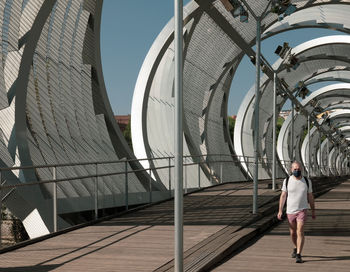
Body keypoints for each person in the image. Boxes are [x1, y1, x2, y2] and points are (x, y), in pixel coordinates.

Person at [277, 161, 316, 263]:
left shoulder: (307, 181)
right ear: (291, 169)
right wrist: (280, 210)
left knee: (300, 231)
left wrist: (313, 210)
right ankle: (295, 247)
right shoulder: (287, 181)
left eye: (298, 169)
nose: (297, 171)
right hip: (290, 211)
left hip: (302, 210)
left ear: (301, 169)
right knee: (293, 233)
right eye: (295, 169)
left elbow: (310, 196)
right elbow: (283, 196)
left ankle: (299, 254)